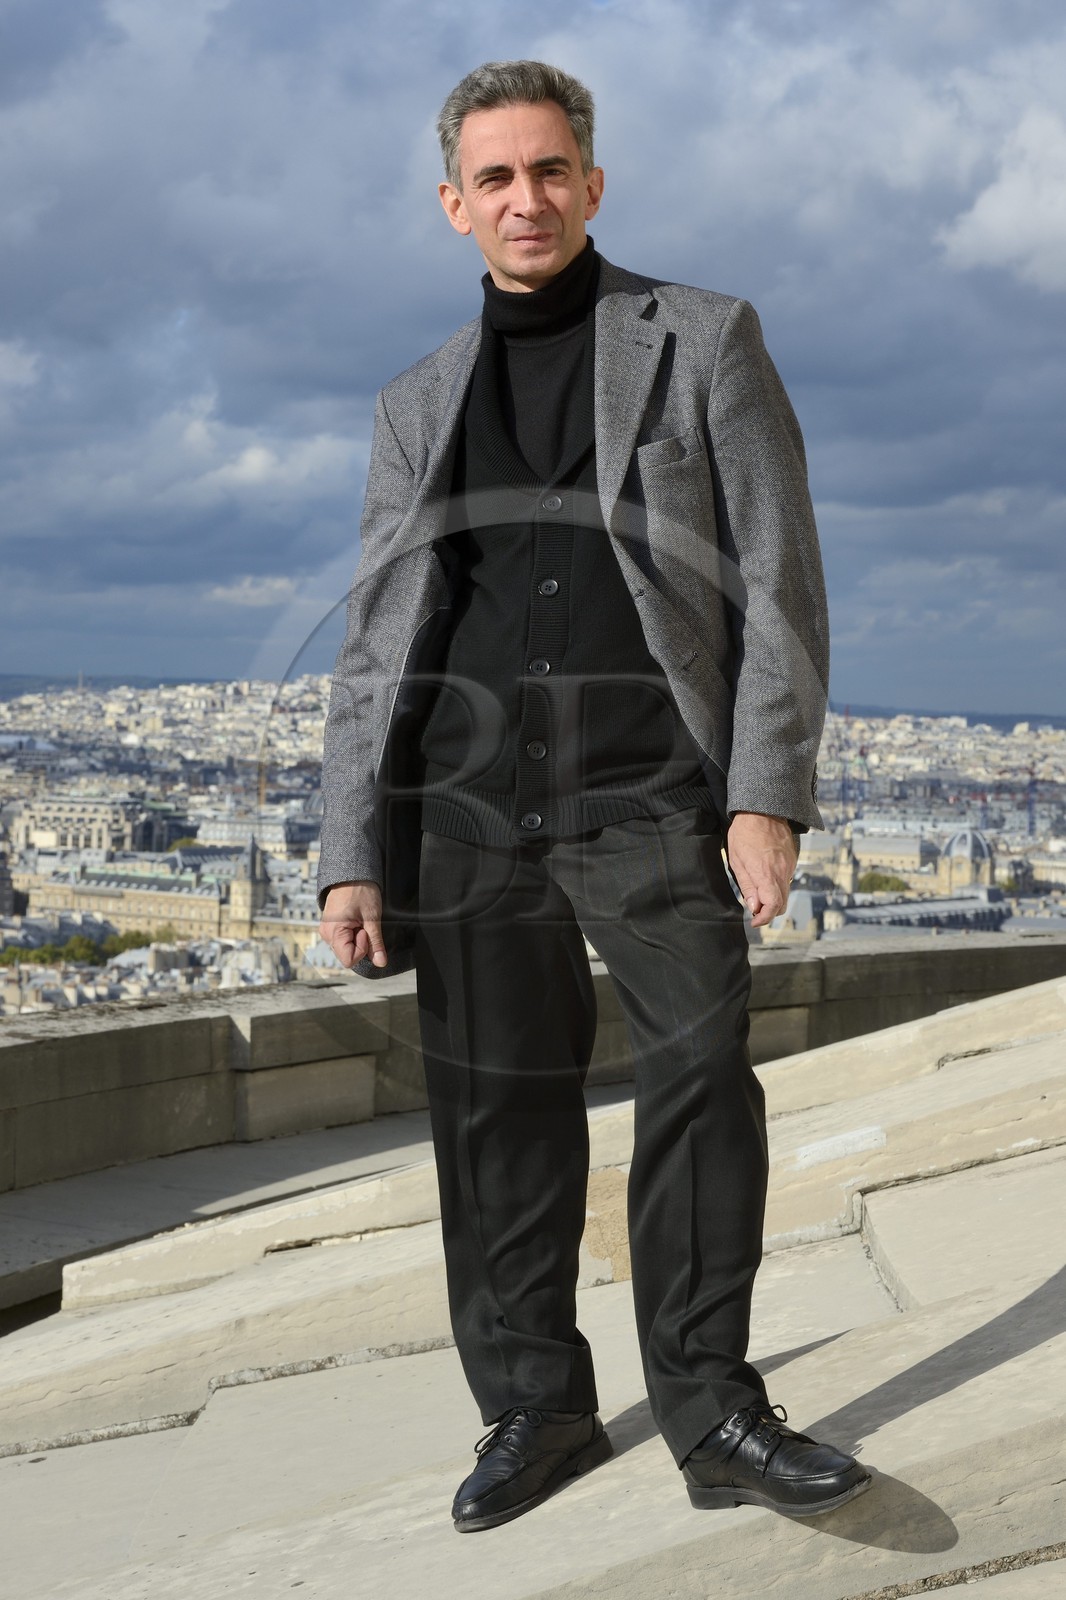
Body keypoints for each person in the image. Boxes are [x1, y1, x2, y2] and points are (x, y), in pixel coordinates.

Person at [318, 59, 871, 1533]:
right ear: (452, 205)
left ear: (593, 183)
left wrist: (766, 797)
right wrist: (346, 853)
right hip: (464, 810)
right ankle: (533, 1410)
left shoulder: (701, 339)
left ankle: (710, 1410)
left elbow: (778, 580)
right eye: (494, 178)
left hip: (649, 794)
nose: (525, 198)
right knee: (497, 1117)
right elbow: (380, 636)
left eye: (549, 169)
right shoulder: (413, 400)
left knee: (700, 1081)